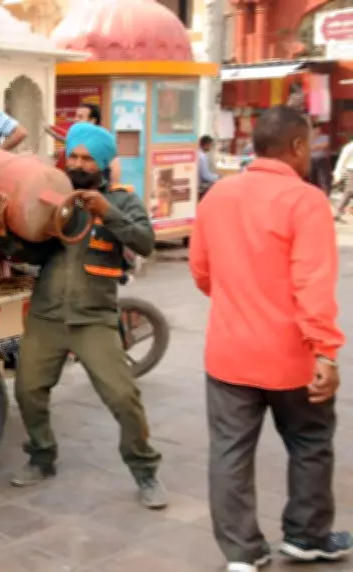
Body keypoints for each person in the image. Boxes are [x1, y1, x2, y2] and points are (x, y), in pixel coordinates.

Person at [188, 105, 350, 572]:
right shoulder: (305, 200)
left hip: (229, 355)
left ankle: (242, 553)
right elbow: (313, 284)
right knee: (311, 442)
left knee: (229, 452)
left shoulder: (218, 195)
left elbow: (201, 271)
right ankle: (306, 535)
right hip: (291, 357)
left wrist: (240, 297)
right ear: (297, 146)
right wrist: (326, 351)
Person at [0, 122, 166, 509]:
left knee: (123, 396)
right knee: (29, 390)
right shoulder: (53, 197)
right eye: (74, 156)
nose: (78, 164)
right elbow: (31, 255)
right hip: (48, 313)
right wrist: (3, 231)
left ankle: (145, 470)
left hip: (94, 317)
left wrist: (108, 212)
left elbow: (146, 242)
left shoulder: (122, 199)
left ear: (101, 163)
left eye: (87, 159)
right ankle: (42, 457)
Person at [74, 102, 122, 185]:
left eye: (80, 117)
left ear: (92, 121)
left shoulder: (103, 140)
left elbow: (114, 168)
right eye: (76, 116)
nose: (75, 119)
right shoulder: (76, 140)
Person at [333, 136, 353, 221]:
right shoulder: (349, 147)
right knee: (350, 190)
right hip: (350, 170)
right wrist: (337, 174)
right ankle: (337, 212)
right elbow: (341, 161)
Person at [310, 119, 331, 194]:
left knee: (323, 179)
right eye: (315, 129)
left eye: (318, 129)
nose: (317, 131)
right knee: (312, 179)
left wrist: (314, 147)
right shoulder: (309, 138)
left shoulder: (325, 137)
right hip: (311, 160)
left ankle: (326, 194)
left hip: (321, 159)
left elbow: (325, 145)